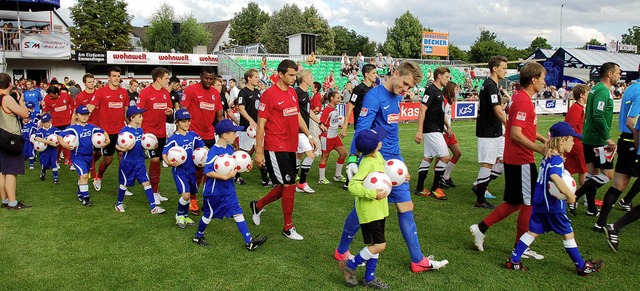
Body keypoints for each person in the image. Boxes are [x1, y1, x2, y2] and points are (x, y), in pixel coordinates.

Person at [333, 61, 448, 273]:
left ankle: (417, 260)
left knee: (406, 207)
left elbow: (391, 132)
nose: (405, 90)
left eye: (409, 88)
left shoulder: (397, 96)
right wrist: (352, 157)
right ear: (395, 73)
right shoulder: (374, 97)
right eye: (404, 84)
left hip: (393, 162)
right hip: (375, 162)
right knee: (366, 210)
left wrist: (400, 164)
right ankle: (342, 251)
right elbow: (362, 130)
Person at [470, 62, 548, 259]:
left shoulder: (520, 98)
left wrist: (542, 139)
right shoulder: (523, 101)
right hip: (521, 159)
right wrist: (540, 149)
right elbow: (515, 134)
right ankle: (520, 247)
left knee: (514, 203)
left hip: (517, 158)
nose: (544, 83)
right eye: (543, 79)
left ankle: (480, 228)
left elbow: (521, 128)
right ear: (534, 80)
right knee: (528, 204)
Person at [505, 121, 604, 276]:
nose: (574, 142)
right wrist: (571, 195)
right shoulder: (556, 159)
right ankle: (581, 266)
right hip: (552, 205)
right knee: (568, 232)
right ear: (563, 140)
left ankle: (514, 260)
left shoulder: (549, 155)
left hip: (539, 201)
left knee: (534, 231)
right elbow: (555, 177)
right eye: (572, 139)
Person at [249, 59, 318, 241]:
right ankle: (288, 227)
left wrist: (309, 136)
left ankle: (258, 205)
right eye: (291, 75)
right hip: (275, 146)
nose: (294, 78)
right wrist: (259, 151)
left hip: (291, 144)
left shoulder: (293, 93)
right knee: (289, 185)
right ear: (280, 74)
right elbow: (260, 125)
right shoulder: (269, 95)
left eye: (295, 75)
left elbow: (296, 115)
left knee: (288, 185)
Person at [192, 119, 269, 250]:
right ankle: (198, 235)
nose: (236, 135)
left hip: (229, 189)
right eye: (233, 133)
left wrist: (244, 168)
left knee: (238, 212)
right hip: (214, 192)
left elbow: (232, 166)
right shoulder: (213, 151)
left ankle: (249, 241)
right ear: (224, 135)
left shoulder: (229, 148)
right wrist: (224, 176)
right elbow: (208, 171)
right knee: (208, 215)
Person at [338, 127, 396, 289]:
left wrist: (399, 177)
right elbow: (353, 186)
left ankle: (369, 278)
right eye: (379, 141)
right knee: (379, 245)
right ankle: (351, 264)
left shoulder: (378, 156)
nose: (381, 141)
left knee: (374, 246)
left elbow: (383, 176)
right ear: (374, 147)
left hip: (380, 209)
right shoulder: (367, 163)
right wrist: (372, 193)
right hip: (370, 212)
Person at [569, 62, 621, 221]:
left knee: (592, 174)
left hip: (589, 138)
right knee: (608, 175)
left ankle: (591, 208)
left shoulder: (596, 89)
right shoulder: (602, 92)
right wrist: (606, 137)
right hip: (598, 140)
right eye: (618, 73)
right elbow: (598, 115)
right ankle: (575, 197)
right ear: (609, 74)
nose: (620, 75)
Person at [594, 70, 640, 231]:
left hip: (626, 141)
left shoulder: (633, 87)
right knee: (619, 183)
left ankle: (600, 223)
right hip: (633, 141)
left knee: (619, 183)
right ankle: (616, 226)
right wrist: (638, 144)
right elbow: (631, 122)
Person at [180, 66, 224, 215]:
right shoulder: (191, 90)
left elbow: (219, 116)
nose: (208, 81)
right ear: (201, 76)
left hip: (210, 136)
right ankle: (192, 198)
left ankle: (207, 200)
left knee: (209, 171)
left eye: (211, 78)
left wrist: (225, 132)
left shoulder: (215, 94)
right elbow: (182, 111)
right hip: (194, 136)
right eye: (206, 78)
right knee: (196, 171)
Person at [471, 56, 509, 209]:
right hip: (488, 131)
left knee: (502, 161)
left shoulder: (492, 85)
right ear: (495, 68)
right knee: (487, 163)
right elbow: (497, 110)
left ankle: (479, 186)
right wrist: (510, 123)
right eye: (504, 68)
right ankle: (480, 199)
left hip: (495, 130)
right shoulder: (490, 85)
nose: (506, 71)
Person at [113, 106, 165, 214]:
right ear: (132, 117)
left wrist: (150, 146)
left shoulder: (141, 130)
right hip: (128, 162)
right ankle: (118, 203)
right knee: (124, 183)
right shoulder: (125, 131)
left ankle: (153, 207)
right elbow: (117, 145)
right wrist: (123, 149)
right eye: (140, 116)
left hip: (140, 162)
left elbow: (142, 145)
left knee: (146, 183)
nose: (142, 118)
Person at [58, 105, 109, 206]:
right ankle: (86, 198)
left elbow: (103, 131)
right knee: (84, 175)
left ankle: (80, 194)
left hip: (89, 156)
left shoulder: (91, 127)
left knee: (83, 176)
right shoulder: (73, 128)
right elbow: (60, 135)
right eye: (82, 115)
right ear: (76, 116)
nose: (85, 117)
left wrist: (107, 140)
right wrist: (64, 144)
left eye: (86, 114)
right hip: (78, 156)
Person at [88, 66, 128, 193]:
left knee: (123, 158)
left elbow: (126, 113)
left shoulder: (124, 92)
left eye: (118, 76)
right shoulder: (101, 92)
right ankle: (99, 176)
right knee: (108, 160)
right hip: (106, 132)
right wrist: (82, 121)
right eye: (114, 76)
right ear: (108, 78)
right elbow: (90, 107)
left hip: (121, 131)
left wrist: (132, 126)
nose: (116, 78)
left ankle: (123, 185)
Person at [136, 67, 173, 205]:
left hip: (161, 132)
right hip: (149, 134)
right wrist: (142, 132)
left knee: (157, 162)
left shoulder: (165, 93)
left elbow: (169, 110)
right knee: (155, 160)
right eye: (166, 78)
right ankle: (152, 191)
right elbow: (138, 112)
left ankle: (155, 191)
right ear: (158, 79)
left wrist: (170, 112)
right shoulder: (145, 93)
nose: (168, 81)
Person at [414, 66, 451, 200]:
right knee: (445, 157)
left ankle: (419, 188)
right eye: (446, 77)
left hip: (436, 128)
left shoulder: (439, 92)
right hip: (431, 129)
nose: (448, 79)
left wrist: (446, 127)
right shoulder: (431, 90)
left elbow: (438, 113)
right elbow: (422, 110)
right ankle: (436, 188)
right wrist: (419, 130)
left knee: (428, 158)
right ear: (439, 76)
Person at [163, 109, 204, 227]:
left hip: (192, 170)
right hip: (180, 170)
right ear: (177, 122)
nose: (186, 124)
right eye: (183, 121)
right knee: (185, 194)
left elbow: (202, 148)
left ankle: (185, 216)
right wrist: (169, 162)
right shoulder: (174, 138)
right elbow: (164, 153)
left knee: (190, 194)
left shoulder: (193, 135)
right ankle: (179, 214)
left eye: (188, 121)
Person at [0, 73, 31, 209]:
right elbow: (25, 115)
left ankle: (5, 200)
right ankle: (12, 203)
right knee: (11, 171)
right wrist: (21, 101)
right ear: (10, 84)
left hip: (1, 136)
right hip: (10, 137)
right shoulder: (6, 99)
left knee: (2, 171)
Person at [237, 69, 271, 187]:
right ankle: (237, 176)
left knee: (259, 150)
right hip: (247, 128)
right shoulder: (243, 92)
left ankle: (265, 180)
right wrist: (251, 121)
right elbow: (241, 108)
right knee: (244, 152)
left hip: (257, 128)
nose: (258, 79)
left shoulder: (257, 92)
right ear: (249, 78)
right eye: (255, 77)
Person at [294, 70, 324, 193]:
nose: (312, 78)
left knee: (299, 155)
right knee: (311, 154)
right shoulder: (296, 93)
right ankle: (301, 183)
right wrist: (309, 135)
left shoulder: (305, 94)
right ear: (304, 79)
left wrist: (320, 122)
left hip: (302, 130)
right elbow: (296, 114)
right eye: (310, 76)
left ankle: (291, 182)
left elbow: (308, 112)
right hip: (298, 130)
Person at [318, 91, 347, 184]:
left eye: (340, 98)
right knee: (325, 157)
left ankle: (337, 176)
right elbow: (321, 122)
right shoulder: (328, 110)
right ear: (332, 98)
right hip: (327, 137)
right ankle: (321, 179)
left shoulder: (334, 109)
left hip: (334, 136)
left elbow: (331, 122)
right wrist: (323, 127)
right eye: (338, 98)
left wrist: (337, 126)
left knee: (343, 153)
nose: (340, 99)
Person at [42, 84, 74, 169]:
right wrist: (41, 121)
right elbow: (45, 111)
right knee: (56, 144)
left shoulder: (66, 96)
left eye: (52, 95)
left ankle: (70, 161)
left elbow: (73, 106)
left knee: (68, 142)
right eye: (49, 95)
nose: (50, 97)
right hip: (56, 124)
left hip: (67, 123)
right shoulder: (47, 99)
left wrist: (74, 118)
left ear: (57, 93)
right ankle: (56, 161)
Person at [564, 84, 589, 189]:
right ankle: (583, 195)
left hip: (573, 141)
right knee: (583, 169)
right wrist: (580, 136)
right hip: (575, 142)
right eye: (588, 93)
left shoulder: (577, 107)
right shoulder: (577, 108)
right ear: (582, 95)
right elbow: (571, 126)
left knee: (570, 168)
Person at [441, 81, 462, 187]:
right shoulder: (443, 101)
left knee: (457, 153)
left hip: (448, 131)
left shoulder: (449, 101)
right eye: (455, 89)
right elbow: (441, 117)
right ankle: (440, 179)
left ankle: (445, 176)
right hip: (442, 132)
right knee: (441, 157)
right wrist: (446, 130)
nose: (456, 91)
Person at [34, 113, 60, 184]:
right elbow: (37, 138)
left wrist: (57, 142)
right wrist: (48, 142)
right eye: (44, 122)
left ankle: (56, 178)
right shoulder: (40, 131)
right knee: (45, 164)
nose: (46, 124)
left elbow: (60, 136)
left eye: (48, 122)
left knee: (54, 163)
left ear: (51, 121)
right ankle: (43, 171)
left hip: (52, 150)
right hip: (44, 151)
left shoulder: (54, 130)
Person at [21, 102, 38, 170]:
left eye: (28, 118)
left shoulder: (32, 125)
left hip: (30, 141)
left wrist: (33, 136)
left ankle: (31, 164)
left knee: (30, 152)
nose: (26, 119)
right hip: (23, 141)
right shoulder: (20, 125)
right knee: (23, 152)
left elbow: (36, 130)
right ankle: (22, 164)